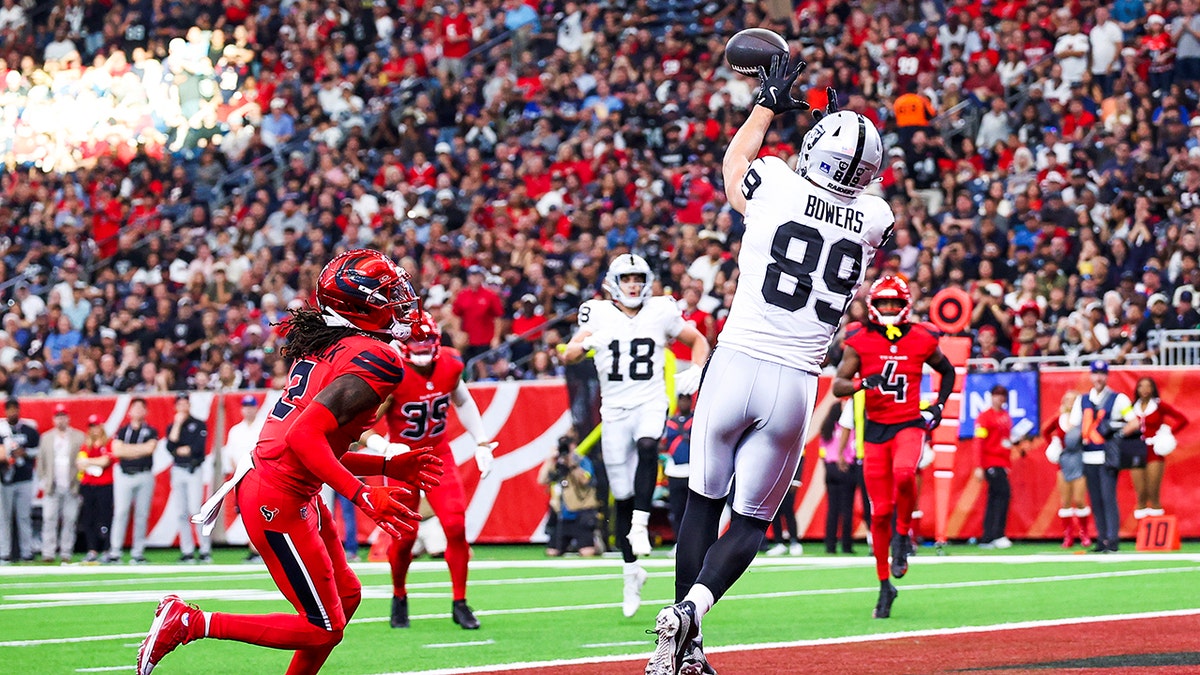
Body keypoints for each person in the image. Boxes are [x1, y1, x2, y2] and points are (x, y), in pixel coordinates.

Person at [646, 58, 892, 675]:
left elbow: (734, 172)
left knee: (702, 502)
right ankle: (694, 616)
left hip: (734, 363)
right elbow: (842, 192)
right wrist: (828, 122)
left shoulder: (777, 181)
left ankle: (678, 633)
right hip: (794, 383)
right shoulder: (875, 219)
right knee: (752, 521)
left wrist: (768, 104)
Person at [137, 249, 445, 675]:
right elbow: (304, 438)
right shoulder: (377, 358)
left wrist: (388, 468)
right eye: (387, 294)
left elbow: (311, 447)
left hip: (288, 484)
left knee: (348, 596)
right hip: (278, 494)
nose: (400, 301)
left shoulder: (330, 346)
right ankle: (192, 622)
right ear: (359, 305)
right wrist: (363, 495)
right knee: (323, 628)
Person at [563, 251, 709, 619]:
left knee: (648, 446)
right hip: (613, 410)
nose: (633, 285)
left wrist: (697, 371)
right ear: (614, 283)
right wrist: (582, 347)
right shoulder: (595, 312)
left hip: (650, 401)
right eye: (627, 279)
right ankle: (632, 571)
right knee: (622, 495)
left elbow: (698, 341)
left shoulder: (661, 310)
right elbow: (569, 354)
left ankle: (642, 525)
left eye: (638, 280)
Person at [831, 275, 956, 619]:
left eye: (894, 303)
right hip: (875, 432)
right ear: (874, 306)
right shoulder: (860, 339)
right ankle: (885, 584)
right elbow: (837, 387)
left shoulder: (922, 337)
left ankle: (903, 536)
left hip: (908, 424)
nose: (888, 309)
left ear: (905, 306)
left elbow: (947, 372)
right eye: (883, 303)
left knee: (905, 474)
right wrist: (860, 382)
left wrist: (939, 405)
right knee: (880, 511)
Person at [366, 310, 498, 631]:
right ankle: (399, 595)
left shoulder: (451, 364)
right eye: (415, 339)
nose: (422, 346)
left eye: (426, 339)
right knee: (405, 535)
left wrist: (481, 441)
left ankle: (460, 602)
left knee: (454, 525)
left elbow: (463, 401)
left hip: (438, 453)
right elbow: (362, 427)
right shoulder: (393, 373)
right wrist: (384, 447)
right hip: (401, 459)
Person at [1067, 360, 1132, 553]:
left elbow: (1133, 422)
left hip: (1107, 454)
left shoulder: (1118, 398)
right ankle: (1102, 538)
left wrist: (1118, 435)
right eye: (1095, 373)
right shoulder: (1083, 399)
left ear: (1107, 375)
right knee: (1095, 499)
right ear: (1091, 375)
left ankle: (1112, 539)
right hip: (1088, 455)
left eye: (1102, 373)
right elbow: (1073, 425)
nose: (1098, 377)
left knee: (1108, 497)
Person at [105, 397, 159, 565]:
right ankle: (115, 551)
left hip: (144, 474)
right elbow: (116, 451)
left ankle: (138, 552)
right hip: (124, 474)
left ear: (146, 411)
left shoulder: (150, 431)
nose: (137, 411)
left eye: (141, 408)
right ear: (129, 411)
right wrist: (138, 450)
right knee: (121, 512)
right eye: (134, 408)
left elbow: (150, 449)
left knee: (141, 515)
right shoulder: (123, 430)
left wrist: (128, 450)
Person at [1126, 377, 1187, 519]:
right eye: (1141, 386)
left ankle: (1157, 530)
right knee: (1140, 493)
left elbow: (1182, 419)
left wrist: (1168, 433)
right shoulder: (1130, 407)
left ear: (1153, 389)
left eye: (1148, 386)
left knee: (1153, 492)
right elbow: (1120, 423)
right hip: (1136, 450)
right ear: (1137, 389)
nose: (1145, 389)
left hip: (1154, 450)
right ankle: (1142, 533)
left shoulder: (1159, 405)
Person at [1042, 391, 1092, 549]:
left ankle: (1084, 533)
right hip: (1064, 462)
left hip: (1079, 460)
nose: (1070, 403)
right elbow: (1045, 431)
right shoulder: (1059, 418)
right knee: (1065, 501)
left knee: (1080, 499)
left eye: (1073, 400)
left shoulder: (1083, 418)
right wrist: (1054, 443)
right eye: (1068, 400)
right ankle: (1068, 536)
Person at [36, 403, 85, 563]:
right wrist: (43, 480)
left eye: (63, 416)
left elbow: (83, 459)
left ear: (68, 418)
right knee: (49, 518)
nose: (60, 420)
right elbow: (41, 461)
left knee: (70, 519)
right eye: (58, 417)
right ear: (53, 419)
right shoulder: (47, 437)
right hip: (53, 484)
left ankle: (66, 552)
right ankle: (48, 552)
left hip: (71, 484)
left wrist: (80, 481)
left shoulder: (78, 436)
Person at [538, 434, 600, 558]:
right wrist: (550, 460)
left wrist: (572, 464)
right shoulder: (558, 464)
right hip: (563, 515)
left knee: (587, 553)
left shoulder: (583, 461)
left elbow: (585, 481)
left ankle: (596, 543)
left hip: (582, 512)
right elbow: (542, 480)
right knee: (552, 552)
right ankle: (569, 544)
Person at [168, 393, 211, 563]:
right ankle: (187, 550)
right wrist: (177, 424)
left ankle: (205, 549)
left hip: (193, 469)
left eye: (185, 403)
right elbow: (170, 446)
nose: (183, 407)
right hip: (178, 470)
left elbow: (198, 448)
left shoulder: (198, 424)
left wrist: (184, 449)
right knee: (181, 512)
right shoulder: (173, 425)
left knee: (196, 510)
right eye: (180, 404)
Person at [973, 385, 1015, 550]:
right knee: (1002, 495)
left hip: (1002, 462)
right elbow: (979, 442)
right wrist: (978, 465)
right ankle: (996, 534)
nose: (1000, 398)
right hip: (991, 462)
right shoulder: (984, 417)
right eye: (997, 395)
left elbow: (1005, 441)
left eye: (1002, 395)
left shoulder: (1005, 416)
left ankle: (989, 536)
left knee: (995, 498)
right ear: (991, 397)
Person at [223, 394, 265, 562]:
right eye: (246, 406)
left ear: (256, 407)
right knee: (247, 514)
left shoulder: (263, 426)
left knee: (262, 513)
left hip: (260, 476)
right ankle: (254, 548)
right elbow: (230, 455)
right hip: (242, 478)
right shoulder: (236, 430)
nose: (248, 410)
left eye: (251, 406)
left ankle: (262, 550)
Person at [0, 397, 39, 563]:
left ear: (19, 410)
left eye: (14, 409)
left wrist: (25, 453)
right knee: (4, 518)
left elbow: (38, 451)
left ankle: (26, 551)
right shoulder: (2, 431)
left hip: (24, 478)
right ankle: (4, 552)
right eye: (9, 409)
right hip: (6, 479)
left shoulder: (29, 430)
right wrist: (6, 457)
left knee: (24, 516)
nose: (12, 412)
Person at [78, 414, 116, 564]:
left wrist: (89, 462)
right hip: (88, 485)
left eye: (97, 426)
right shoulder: (86, 445)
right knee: (89, 519)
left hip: (105, 485)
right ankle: (92, 549)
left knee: (105, 518)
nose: (94, 429)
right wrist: (92, 462)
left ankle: (107, 549)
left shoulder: (108, 443)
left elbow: (105, 461)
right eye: (92, 426)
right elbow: (80, 463)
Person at [824, 400, 858, 555]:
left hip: (830, 468)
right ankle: (846, 545)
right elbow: (853, 448)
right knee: (847, 509)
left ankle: (830, 545)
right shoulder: (849, 430)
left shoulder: (827, 429)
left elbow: (822, 451)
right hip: (846, 467)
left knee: (832, 509)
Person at [663, 392, 694, 552]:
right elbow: (661, 444)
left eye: (686, 400)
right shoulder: (670, 423)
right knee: (677, 510)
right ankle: (679, 543)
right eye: (680, 400)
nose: (683, 403)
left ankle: (694, 543)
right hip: (674, 471)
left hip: (693, 471)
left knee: (694, 511)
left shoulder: (697, 419)